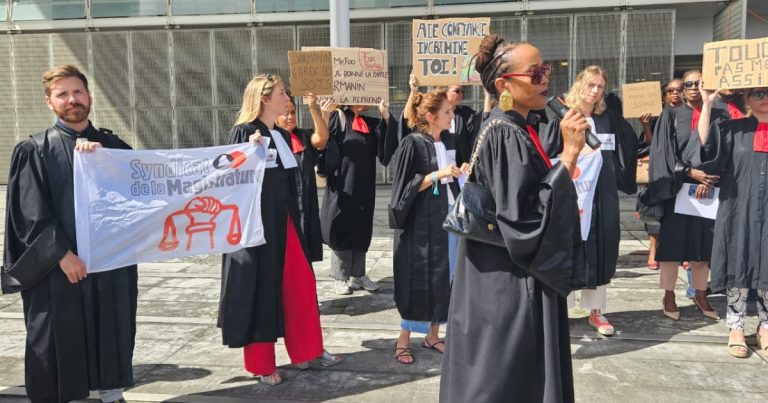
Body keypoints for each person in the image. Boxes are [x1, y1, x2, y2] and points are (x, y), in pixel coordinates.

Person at [440, 34, 588, 403]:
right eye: (535, 73)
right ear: (504, 85)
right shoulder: (506, 133)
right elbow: (524, 220)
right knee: (504, 376)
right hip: (507, 280)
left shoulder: (518, 127)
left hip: (498, 272)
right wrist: (569, 156)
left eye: (546, 70)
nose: (545, 80)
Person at [1, 64, 137, 403]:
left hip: (110, 263)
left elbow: (141, 194)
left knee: (112, 326)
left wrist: (105, 160)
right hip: (60, 267)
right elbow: (30, 213)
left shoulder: (114, 146)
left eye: (78, 92)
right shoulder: (34, 150)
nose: (72, 99)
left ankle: (112, 393)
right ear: (49, 102)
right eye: (62, 94)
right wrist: (63, 255)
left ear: (89, 96)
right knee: (58, 334)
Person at [218, 74, 340, 386]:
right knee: (261, 291)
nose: (288, 98)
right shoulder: (244, 131)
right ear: (264, 98)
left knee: (301, 286)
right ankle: (261, 364)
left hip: (286, 223)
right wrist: (247, 154)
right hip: (256, 229)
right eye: (283, 93)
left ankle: (308, 351)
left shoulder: (283, 136)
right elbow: (228, 177)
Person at [541, 66, 638, 336]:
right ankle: (561, 310)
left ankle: (596, 311)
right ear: (580, 84)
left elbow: (627, 146)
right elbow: (547, 152)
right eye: (591, 85)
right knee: (567, 247)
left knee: (600, 248)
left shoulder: (608, 118)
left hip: (601, 196)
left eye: (600, 87)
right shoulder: (563, 116)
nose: (595, 91)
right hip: (571, 194)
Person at [388, 89, 467, 364]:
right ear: (431, 116)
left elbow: (452, 177)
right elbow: (403, 188)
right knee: (418, 280)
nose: (452, 115)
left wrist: (461, 171)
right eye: (447, 112)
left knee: (445, 277)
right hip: (421, 226)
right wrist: (436, 175)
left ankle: (433, 335)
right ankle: (403, 339)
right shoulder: (412, 143)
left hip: (448, 220)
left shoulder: (450, 140)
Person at [692, 86, 768, 358]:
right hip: (739, 208)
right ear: (746, 98)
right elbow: (706, 148)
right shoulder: (732, 130)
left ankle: (765, 326)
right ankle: (735, 326)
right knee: (738, 262)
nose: (764, 98)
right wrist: (707, 105)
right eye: (758, 94)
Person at [646, 70, 726, 321]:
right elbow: (663, 153)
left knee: (703, 245)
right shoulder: (671, 115)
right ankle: (669, 294)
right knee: (672, 245)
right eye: (688, 84)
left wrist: (709, 179)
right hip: (677, 187)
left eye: (698, 83)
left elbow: (724, 151)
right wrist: (690, 172)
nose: (693, 88)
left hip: (707, 190)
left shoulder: (719, 113)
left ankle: (700, 294)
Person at [321, 101, 394, 295]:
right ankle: (340, 276)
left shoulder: (371, 123)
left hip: (364, 185)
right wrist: (324, 115)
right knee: (341, 225)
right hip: (342, 183)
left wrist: (386, 117)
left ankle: (358, 274)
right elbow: (324, 143)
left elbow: (385, 153)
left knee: (361, 227)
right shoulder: (338, 117)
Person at [275, 92, 333, 263]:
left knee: (304, 252)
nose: (290, 117)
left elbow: (322, 138)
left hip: (306, 205)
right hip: (284, 209)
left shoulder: (304, 136)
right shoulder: (271, 139)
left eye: (293, 112)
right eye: (285, 113)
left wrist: (313, 108)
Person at [640, 78, 684, 270]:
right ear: (664, 97)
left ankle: (683, 251)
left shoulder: (692, 115)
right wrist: (645, 126)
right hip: (660, 170)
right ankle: (654, 250)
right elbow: (649, 144)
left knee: (682, 213)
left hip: (684, 169)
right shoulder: (657, 117)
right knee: (657, 211)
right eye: (670, 91)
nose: (675, 93)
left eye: (679, 90)